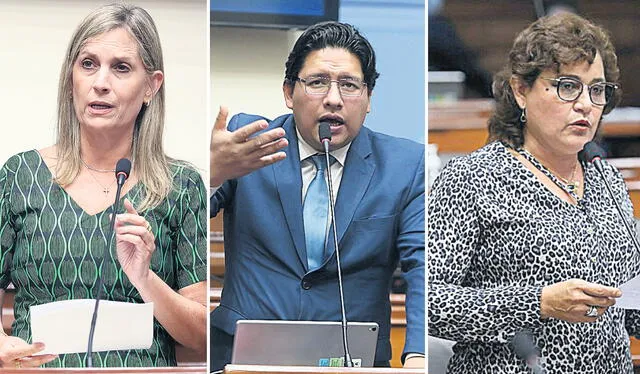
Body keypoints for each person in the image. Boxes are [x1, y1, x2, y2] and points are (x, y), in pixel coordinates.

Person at [428, 13, 639, 373]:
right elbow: (429, 302)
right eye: (567, 86)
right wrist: (538, 302)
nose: (586, 104)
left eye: (597, 89)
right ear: (521, 91)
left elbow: (629, 308)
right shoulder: (472, 178)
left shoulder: (606, 177)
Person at [0, 3, 207, 368]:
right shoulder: (20, 175)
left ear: (150, 86)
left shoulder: (181, 187)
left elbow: (204, 339)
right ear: (71, 79)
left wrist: (145, 279)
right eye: (88, 64)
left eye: (121, 68)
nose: (100, 82)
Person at [209, 21, 425, 371]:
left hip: (352, 361)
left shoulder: (404, 165)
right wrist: (211, 172)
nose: (334, 99)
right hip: (242, 359)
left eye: (350, 85)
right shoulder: (250, 142)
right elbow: (182, 223)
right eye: (318, 82)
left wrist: (418, 355)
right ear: (288, 92)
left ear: (369, 99)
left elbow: (423, 265)